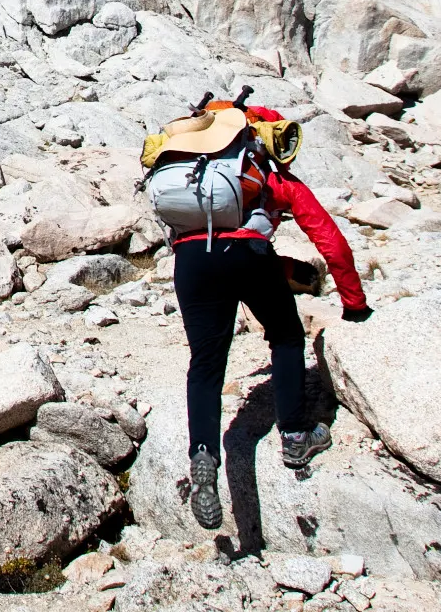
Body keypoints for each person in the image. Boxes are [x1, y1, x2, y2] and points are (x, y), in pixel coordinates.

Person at [144, 93, 369, 531]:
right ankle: (296, 436)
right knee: (285, 336)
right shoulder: (267, 175)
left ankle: (204, 453)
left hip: (192, 259)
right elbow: (331, 240)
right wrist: (353, 304)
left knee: (206, 365)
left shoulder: (192, 169)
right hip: (250, 254)